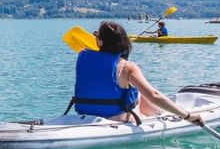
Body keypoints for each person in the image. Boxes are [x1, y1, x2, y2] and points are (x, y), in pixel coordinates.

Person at [69, 21, 202, 124]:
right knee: (138, 92)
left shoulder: (82, 57)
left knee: (134, 92)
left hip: (84, 114)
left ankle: (160, 112)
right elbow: (154, 95)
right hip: (115, 118)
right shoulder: (127, 67)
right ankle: (162, 114)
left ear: (99, 41)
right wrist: (187, 116)